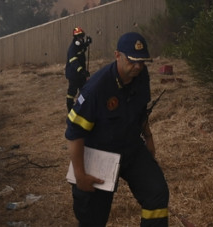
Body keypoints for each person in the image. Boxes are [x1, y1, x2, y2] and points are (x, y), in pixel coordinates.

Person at [66, 31, 169, 226]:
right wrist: (80, 175)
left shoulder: (141, 75)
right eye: (132, 61)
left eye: (142, 61)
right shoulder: (96, 89)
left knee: (156, 193)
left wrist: (149, 138)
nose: (137, 66)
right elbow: (74, 133)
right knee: (92, 218)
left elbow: (141, 111)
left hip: (130, 146)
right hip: (99, 153)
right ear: (117, 55)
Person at [66, 26, 92, 112]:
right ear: (76, 38)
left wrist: (87, 43)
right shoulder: (72, 48)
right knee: (72, 93)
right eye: (79, 36)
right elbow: (73, 61)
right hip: (73, 74)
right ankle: (70, 109)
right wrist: (82, 70)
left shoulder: (79, 45)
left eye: (82, 36)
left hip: (80, 74)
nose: (81, 38)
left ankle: (81, 106)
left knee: (83, 91)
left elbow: (82, 49)